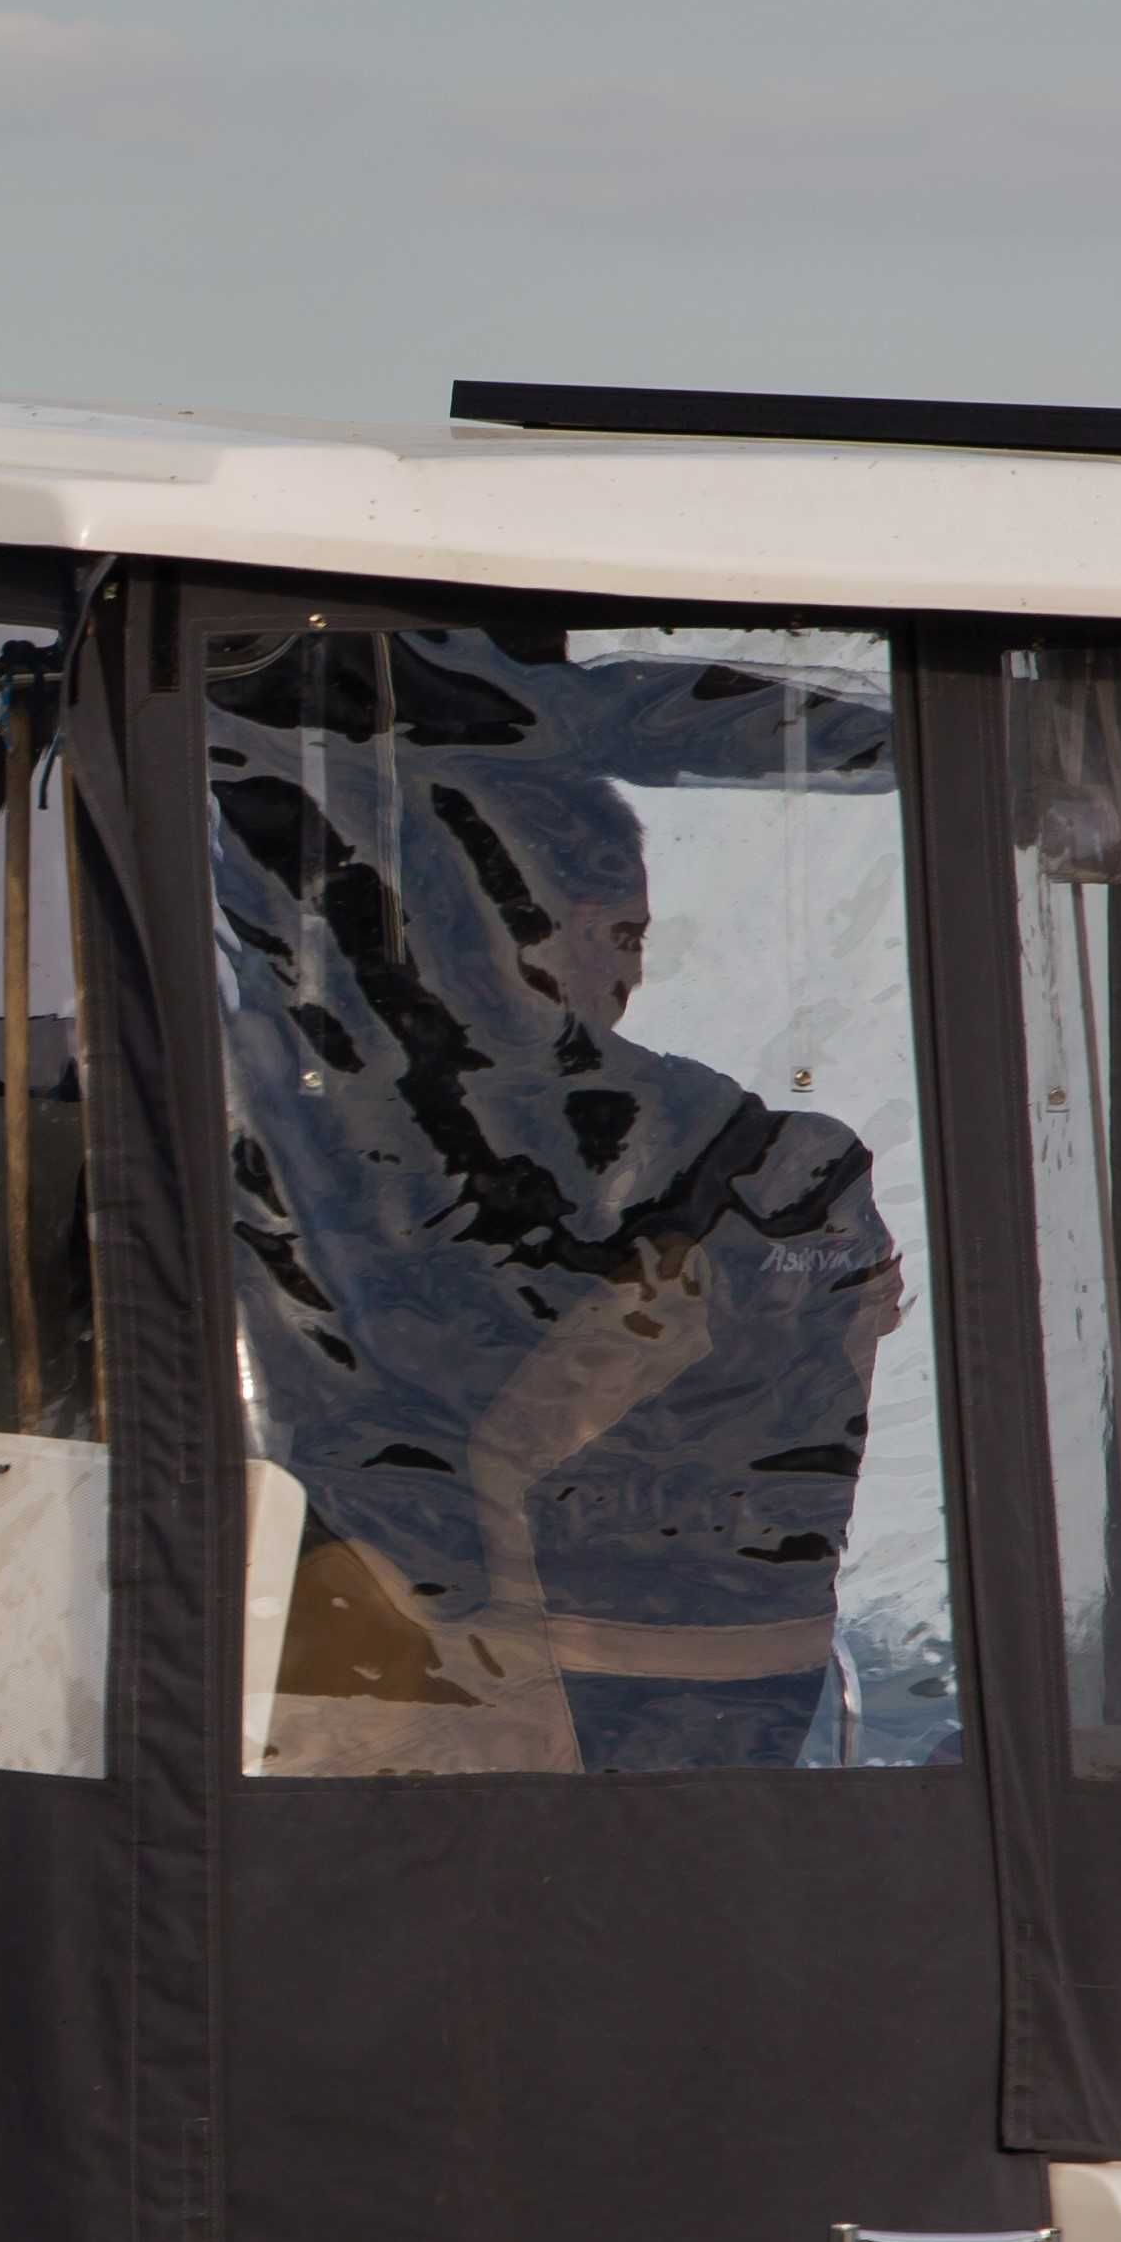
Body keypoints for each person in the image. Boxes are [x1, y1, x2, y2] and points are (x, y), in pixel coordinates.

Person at [213, 630, 905, 1774]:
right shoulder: (786, 1167)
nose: (616, 973)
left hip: (443, 1684)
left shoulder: (290, 1135)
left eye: (627, 935)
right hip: (699, 1689)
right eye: (591, 933)